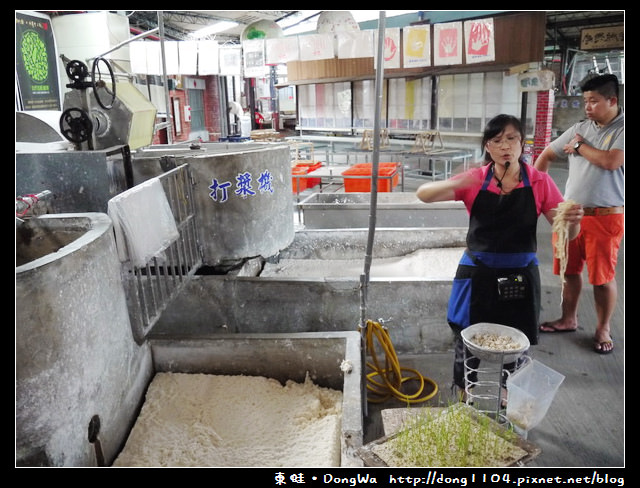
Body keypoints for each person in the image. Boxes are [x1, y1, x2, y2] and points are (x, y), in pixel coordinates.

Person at [416, 114, 583, 400]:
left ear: (522, 144)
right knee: (467, 337)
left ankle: (508, 397)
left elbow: (568, 231)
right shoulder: (476, 180)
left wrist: (574, 220)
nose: (505, 145)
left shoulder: (540, 182)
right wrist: (460, 181)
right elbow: (424, 194)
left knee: (514, 341)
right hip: (477, 271)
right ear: (487, 147)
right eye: (497, 140)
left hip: (520, 273)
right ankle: (465, 393)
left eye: (511, 138)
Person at [534, 73, 624, 355]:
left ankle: (602, 328)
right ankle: (568, 319)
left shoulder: (621, 128)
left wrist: (580, 147)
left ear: (612, 100)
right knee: (569, 271)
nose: (587, 106)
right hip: (570, 214)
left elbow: (611, 161)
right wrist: (535, 193)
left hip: (605, 215)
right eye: (585, 101)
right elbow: (546, 155)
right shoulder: (579, 127)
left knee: (602, 277)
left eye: (594, 101)